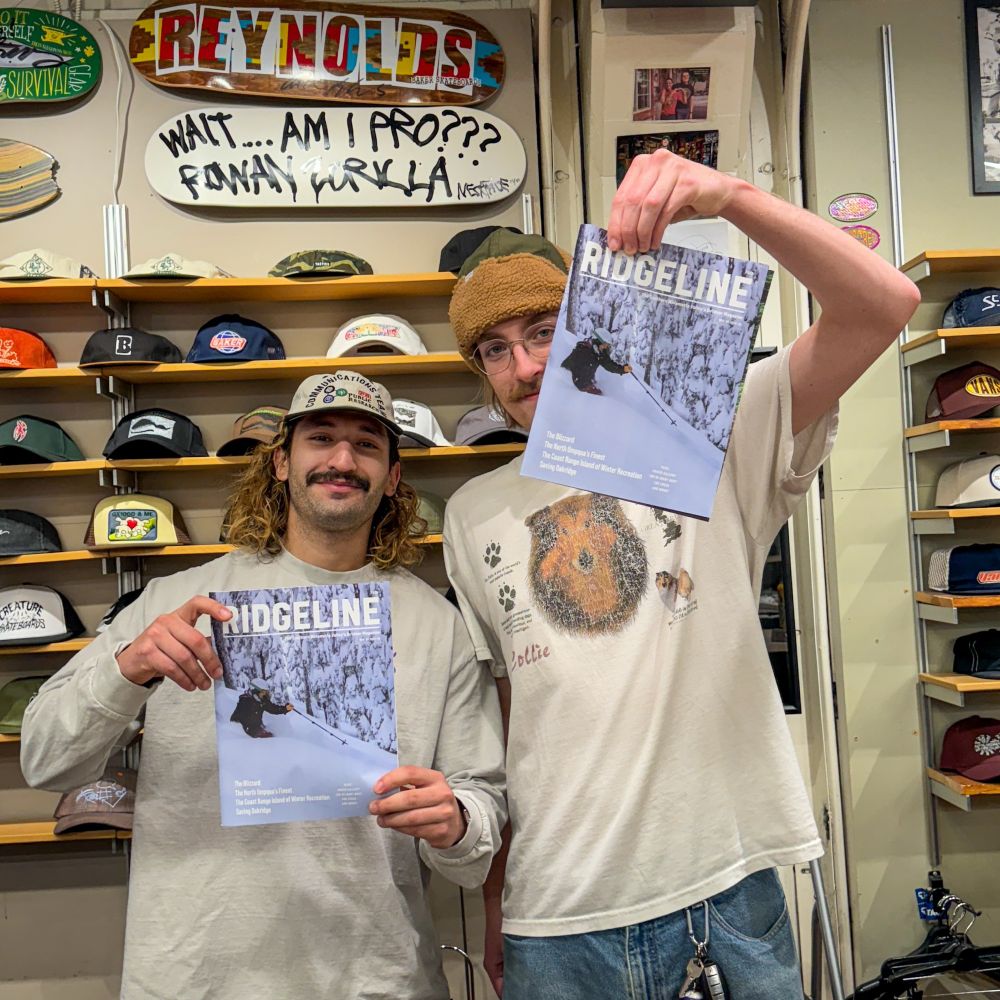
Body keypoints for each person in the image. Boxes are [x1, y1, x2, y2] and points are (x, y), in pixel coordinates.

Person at [442, 149, 920, 1000]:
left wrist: (728, 197)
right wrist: (494, 892)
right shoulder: (473, 510)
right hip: (553, 911)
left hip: (719, 892)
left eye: (544, 331)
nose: (522, 368)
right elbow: (516, 707)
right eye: (494, 348)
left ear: (592, 324)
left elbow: (882, 306)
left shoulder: (708, 433)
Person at [20, 370, 507, 1000]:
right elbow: (45, 761)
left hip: (375, 977)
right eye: (321, 438)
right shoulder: (173, 604)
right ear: (281, 462)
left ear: (391, 478)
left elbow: (476, 824)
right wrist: (128, 668)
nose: (341, 459)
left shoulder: (437, 625)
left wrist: (457, 821)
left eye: (366, 444)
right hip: (196, 977)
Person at [559, 332, 632, 394]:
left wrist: (623, 369)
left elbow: (608, 365)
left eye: (607, 346)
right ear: (598, 341)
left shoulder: (598, 353)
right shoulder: (583, 352)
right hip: (567, 384)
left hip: (584, 382)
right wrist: (587, 387)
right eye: (605, 344)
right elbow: (577, 374)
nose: (606, 347)